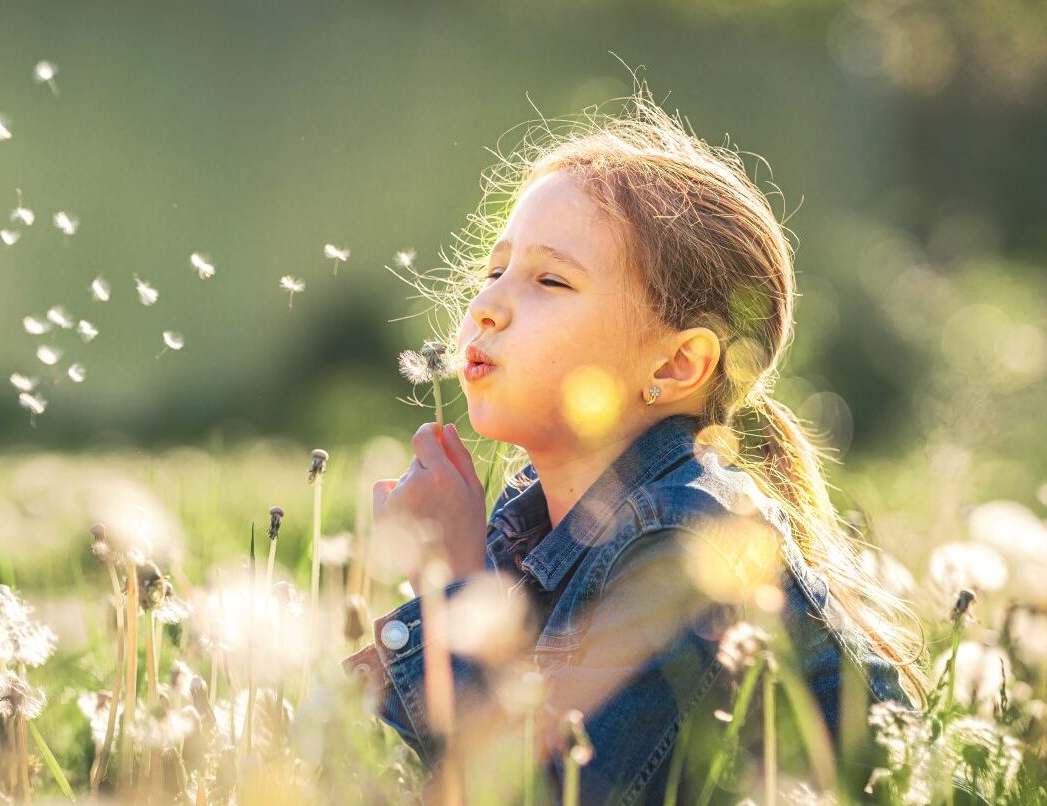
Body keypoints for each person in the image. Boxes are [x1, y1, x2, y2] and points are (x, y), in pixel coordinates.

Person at [342, 80, 926, 804]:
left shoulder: (688, 544)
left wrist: (453, 583)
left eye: (550, 280)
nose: (487, 306)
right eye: (495, 271)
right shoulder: (537, 525)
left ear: (676, 364)